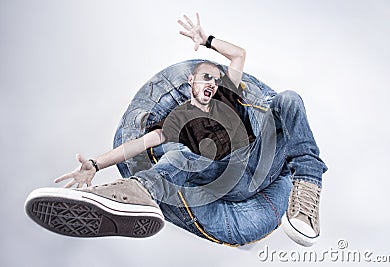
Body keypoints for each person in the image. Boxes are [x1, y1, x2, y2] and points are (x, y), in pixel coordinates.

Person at [25, 14, 327, 247]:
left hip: (261, 164)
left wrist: (206, 38)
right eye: (203, 78)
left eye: (214, 78)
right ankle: (133, 195)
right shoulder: (177, 119)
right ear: (190, 86)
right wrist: (95, 164)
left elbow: (238, 55)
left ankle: (308, 186)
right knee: (185, 154)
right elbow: (139, 144)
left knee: (289, 99)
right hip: (223, 180)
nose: (210, 82)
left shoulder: (228, 94)